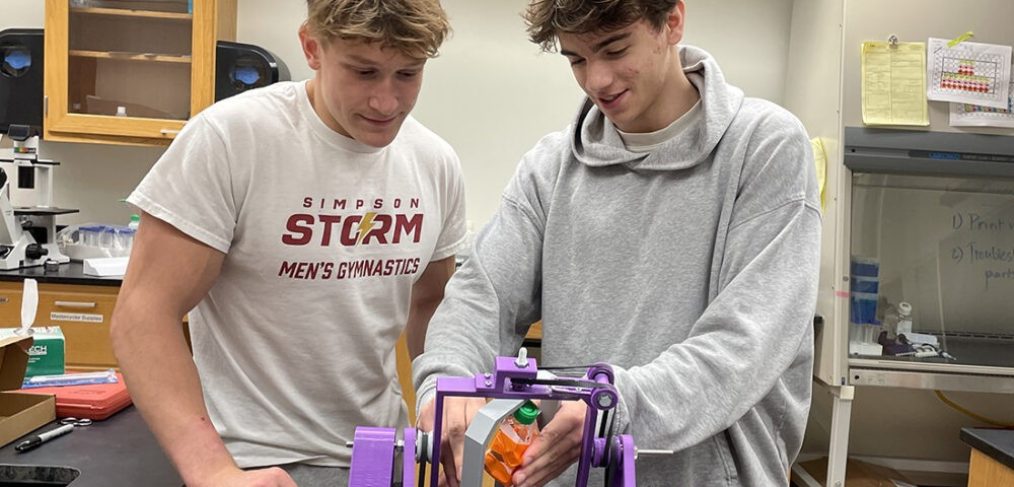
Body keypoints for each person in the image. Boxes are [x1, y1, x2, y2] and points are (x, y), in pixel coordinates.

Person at [414, 0, 820, 486]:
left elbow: (747, 340)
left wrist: (617, 405)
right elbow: (482, 297)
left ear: (671, 21)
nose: (597, 81)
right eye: (577, 60)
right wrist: (446, 380)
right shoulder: (550, 167)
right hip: (574, 472)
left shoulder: (764, 145)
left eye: (614, 49)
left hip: (707, 475)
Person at [110, 1, 466, 485]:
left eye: (407, 74)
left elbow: (432, 307)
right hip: (255, 462)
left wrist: (442, 423)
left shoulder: (434, 162)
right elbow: (142, 315)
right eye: (364, 72)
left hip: (386, 456)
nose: (387, 102)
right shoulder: (231, 140)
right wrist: (211, 471)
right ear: (312, 47)